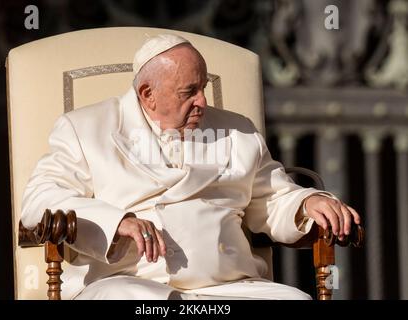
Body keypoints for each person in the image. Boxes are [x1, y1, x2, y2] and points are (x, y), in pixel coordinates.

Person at [21, 34, 361, 300]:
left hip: (228, 288)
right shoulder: (85, 129)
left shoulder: (237, 131)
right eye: (189, 91)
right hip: (130, 286)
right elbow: (38, 202)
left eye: (203, 88)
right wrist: (116, 222)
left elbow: (271, 199)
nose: (202, 101)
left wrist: (307, 203)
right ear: (147, 94)